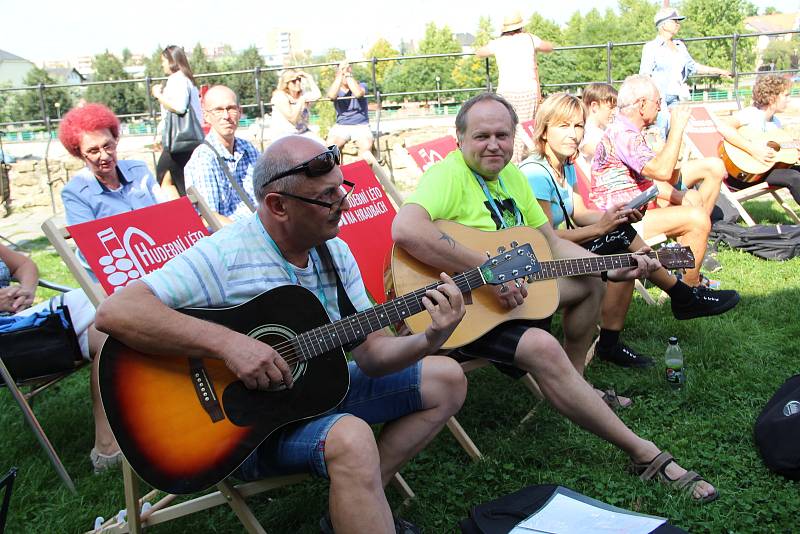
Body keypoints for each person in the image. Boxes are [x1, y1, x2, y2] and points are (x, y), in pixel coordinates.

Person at [95, 135, 468, 532]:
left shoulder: (334, 251)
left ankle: (357, 500)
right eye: (326, 197)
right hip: (241, 431)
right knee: (352, 436)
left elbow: (372, 355)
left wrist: (431, 338)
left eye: (343, 188)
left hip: (310, 397)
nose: (344, 203)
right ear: (278, 205)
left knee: (446, 378)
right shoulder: (229, 253)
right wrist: (230, 344)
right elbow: (116, 311)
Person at [391, 92, 718, 503]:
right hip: (462, 304)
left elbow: (550, 243)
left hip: (510, 295)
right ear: (460, 139)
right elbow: (406, 231)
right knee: (543, 347)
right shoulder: (447, 175)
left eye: (502, 135)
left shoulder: (510, 176)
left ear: (514, 137)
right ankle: (643, 453)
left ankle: (575, 384)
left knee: (588, 284)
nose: (493, 144)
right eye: (481, 136)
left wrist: (606, 266)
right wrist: (490, 272)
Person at [521, 93, 739, 369]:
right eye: (563, 126)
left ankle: (612, 343)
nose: (573, 134)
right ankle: (683, 296)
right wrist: (603, 227)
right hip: (544, 262)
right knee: (621, 237)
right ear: (544, 131)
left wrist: (614, 215)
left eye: (578, 126)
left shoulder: (565, 165)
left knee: (622, 238)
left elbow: (578, 212)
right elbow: (543, 237)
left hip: (564, 252)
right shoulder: (535, 173)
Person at [590, 75, 728, 287]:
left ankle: (686, 272)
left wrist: (680, 195)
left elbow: (654, 177)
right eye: (658, 102)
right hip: (620, 222)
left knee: (691, 199)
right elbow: (662, 171)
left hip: (634, 209)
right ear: (642, 104)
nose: (661, 107)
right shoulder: (624, 134)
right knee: (698, 218)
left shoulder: (628, 131)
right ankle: (690, 289)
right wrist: (677, 128)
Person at [0, 243, 119, 472]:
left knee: (108, 335)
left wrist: (25, 290)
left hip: (23, 325)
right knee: (99, 296)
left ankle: (108, 449)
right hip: (8, 343)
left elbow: (24, 264)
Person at [59, 103, 163, 226]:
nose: (105, 156)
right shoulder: (75, 192)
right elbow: (88, 241)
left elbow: (167, 212)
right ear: (79, 153)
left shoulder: (140, 171)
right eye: (94, 151)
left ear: (115, 139)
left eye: (108, 146)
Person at [475, 10, 554, 164]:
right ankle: (528, 159)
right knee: (526, 126)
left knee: (510, 126)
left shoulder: (498, 43)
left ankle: (511, 160)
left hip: (506, 91)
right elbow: (549, 47)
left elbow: (479, 52)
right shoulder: (529, 39)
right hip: (528, 90)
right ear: (521, 27)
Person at [640, 7, 731, 139]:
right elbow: (645, 75)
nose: (678, 24)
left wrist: (717, 71)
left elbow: (693, 66)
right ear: (663, 25)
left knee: (677, 132)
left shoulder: (679, 46)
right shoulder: (651, 47)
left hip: (676, 98)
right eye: (674, 21)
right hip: (659, 99)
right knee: (660, 131)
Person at [714, 74, 800, 203]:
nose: (789, 99)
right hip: (744, 175)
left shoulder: (775, 122)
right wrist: (753, 149)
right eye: (786, 95)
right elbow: (723, 127)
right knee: (793, 177)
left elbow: (779, 154)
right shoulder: (751, 113)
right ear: (772, 97)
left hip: (764, 170)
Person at [185, 85, 259, 225]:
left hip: (262, 226)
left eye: (231, 108)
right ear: (206, 116)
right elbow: (210, 219)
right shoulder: (204, 159)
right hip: (236, 237)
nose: (226, 116)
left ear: (239, 111)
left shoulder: (248, 148)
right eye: (218, 110)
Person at [151, 45, 203, 197]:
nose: (163, 65)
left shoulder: (177, 79)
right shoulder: (186, 79)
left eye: (163, 61)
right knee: (178, 179)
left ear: (171, 60)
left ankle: (182, 216)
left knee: (164, 175)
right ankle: (189, 214)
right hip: (187, 138)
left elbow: (179, 108)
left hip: (180, 140)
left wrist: (158, 95)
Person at [326, 61, 373, 158]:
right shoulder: (335, 88)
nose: (346, 76)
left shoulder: (362, 85)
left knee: (366, 146)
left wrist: (347, 73)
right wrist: (340, 74)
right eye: (343, 73)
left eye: (349, 73)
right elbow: (331, 96)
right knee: (331, 146)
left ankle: (360, 172)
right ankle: (338, 172)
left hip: (361, 125)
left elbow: (358, 93)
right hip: (342, 125)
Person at [270, 69, 322, 140]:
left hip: (303, 133)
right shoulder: (280, 96)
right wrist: (301, 101)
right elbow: (292, 118)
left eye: (299, 79)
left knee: (323, 147)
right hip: (285, 135)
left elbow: (317, 95)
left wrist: (309, 78)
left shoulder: (302, 94)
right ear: (286, 84)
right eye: (293, 81)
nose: (297, 83)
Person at [579, 83, 618, 167]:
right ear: (594, 106)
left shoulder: (605, 129)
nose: (614, 112)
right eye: (611, 108)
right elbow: (589, 148)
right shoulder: (586, 132)